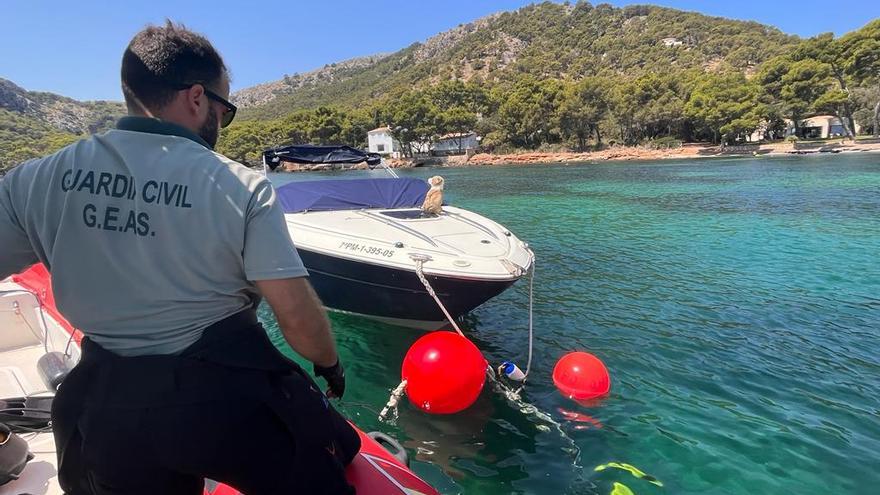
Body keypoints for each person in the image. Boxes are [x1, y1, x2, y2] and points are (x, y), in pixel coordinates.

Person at [0, 21, 359, 494]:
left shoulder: (33, 179)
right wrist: (329, 365)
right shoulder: (242, 187)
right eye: (224, 110)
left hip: (108, 407)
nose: (222, 124)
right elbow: (294, 316)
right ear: (196, 98)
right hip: (223, 402)